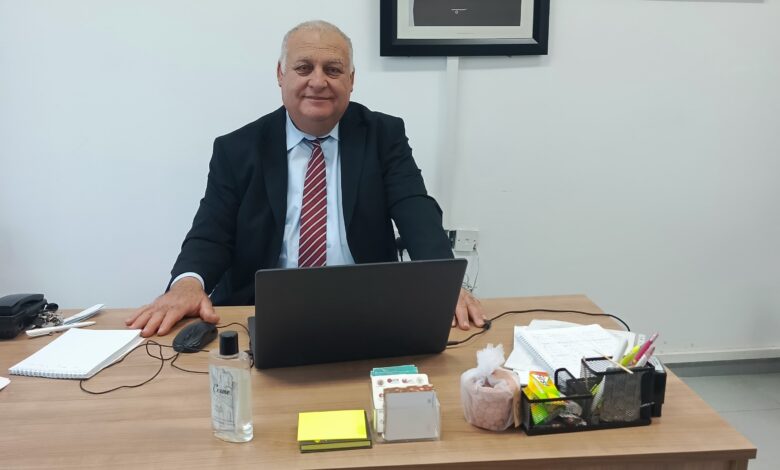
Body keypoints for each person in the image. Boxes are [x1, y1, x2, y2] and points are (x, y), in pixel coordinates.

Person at [126, 20, 484, 337]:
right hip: (260, 312)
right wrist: (187, 284)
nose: (318, 81)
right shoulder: (236, 149)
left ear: (351, 80)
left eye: (333, 69)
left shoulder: (382, 136)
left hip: (368, 308)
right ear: (280, 75)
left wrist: (443, 280)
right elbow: (211, 233)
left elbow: (415, 209)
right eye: (303, 67)